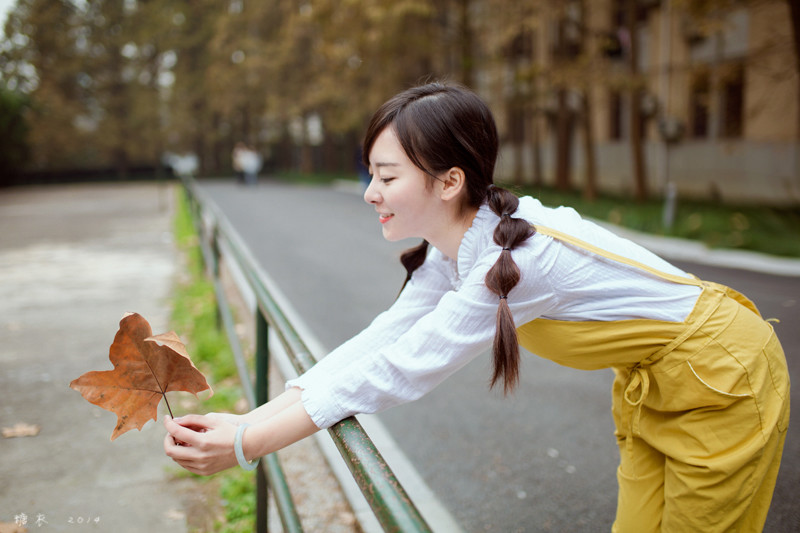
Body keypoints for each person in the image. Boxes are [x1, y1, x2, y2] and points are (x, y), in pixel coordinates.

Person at [164, 82, 789, 531]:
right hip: (655, 383)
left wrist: (249, 444)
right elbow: (385, 341)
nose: (370, 193)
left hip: (723, 377)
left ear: (449, 181)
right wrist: (249, 422)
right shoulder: (460, 244)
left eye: (385, 177)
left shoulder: (510, 259)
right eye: (370, 175)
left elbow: (400, 369)